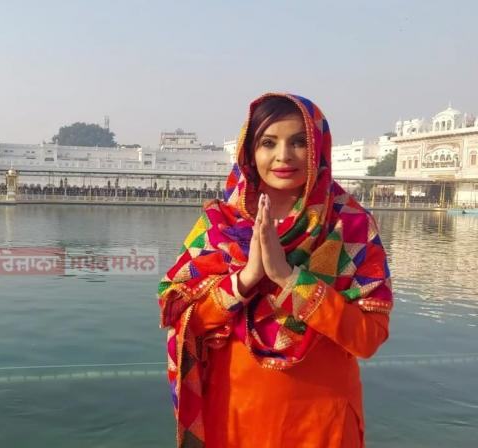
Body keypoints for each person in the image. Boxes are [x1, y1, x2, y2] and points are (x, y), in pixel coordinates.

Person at [157, 93, 393, 448]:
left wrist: (290, 279)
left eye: (299, 141)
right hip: (234, 418)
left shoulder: (349, 227)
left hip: (321, 424)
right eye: (269, 143)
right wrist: (247, 277)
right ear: (249, 152)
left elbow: (368, 337)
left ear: (318, 148)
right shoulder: (219, 225)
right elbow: (182, 318)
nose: (284, 156)